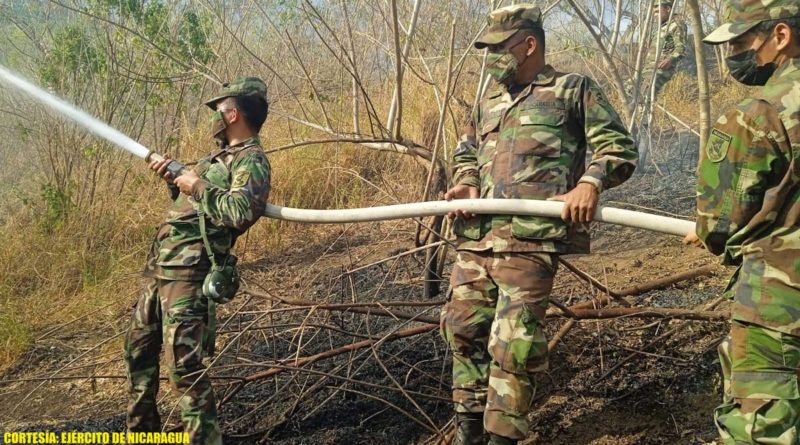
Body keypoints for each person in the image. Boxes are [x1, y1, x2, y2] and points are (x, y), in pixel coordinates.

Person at [441, 4, 638, 444]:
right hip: (476, 241)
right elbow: (466, 152)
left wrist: (590, 182)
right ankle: (468, 432)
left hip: (529, 244)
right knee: (463, 333)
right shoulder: (486, 101)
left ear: (528, 44)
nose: (490, 58)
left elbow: (620, 149)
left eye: (498, 48)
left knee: (514, 347)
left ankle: (502, 439)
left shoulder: (573, 90)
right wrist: (466, 181)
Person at [123, 77, 272, 444]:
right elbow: (194, 203)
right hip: (161, 270)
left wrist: (197, 185)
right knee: (138, 353)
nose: (214, 119)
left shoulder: (252, 161)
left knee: (184, 370)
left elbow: (239, 212)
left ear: (233, 113)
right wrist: (175, 179)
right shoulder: (214, 159)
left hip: (190, 275)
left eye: (218, 111)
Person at [690, 0, 800, 442]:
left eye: (740, 40)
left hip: (779, 307)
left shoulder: (758, 112)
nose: (733, 52)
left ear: (781, 36)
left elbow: (718, 222)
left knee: (761, 427)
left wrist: (705, 231)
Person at [642, 0, 688, 101]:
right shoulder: (660, 27)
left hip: (662, 69)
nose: (655, 15)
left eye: (657, 11)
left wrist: (670, 59)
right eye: (654, 12)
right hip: (648, 69)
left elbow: (681, 47)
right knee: (628, 88)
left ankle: (645, 115)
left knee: (644, 95)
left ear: (668, 9)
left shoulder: (676, 24)